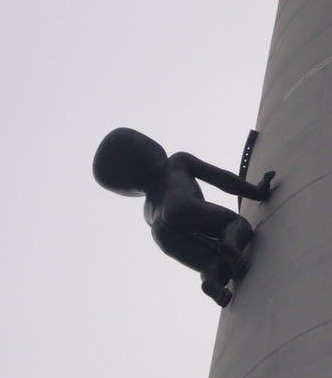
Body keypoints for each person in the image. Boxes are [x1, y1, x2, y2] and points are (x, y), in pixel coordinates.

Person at [93, 128, 275, 307]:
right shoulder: (177, 162)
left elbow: (194, 236)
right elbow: (221, 179)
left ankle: (212, 281)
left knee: (211, 261)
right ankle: (231, 244)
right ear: (149, 147)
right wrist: (257, 192)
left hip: (159, 231)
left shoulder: (147, 211)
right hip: (178, 204)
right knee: (235, 224)